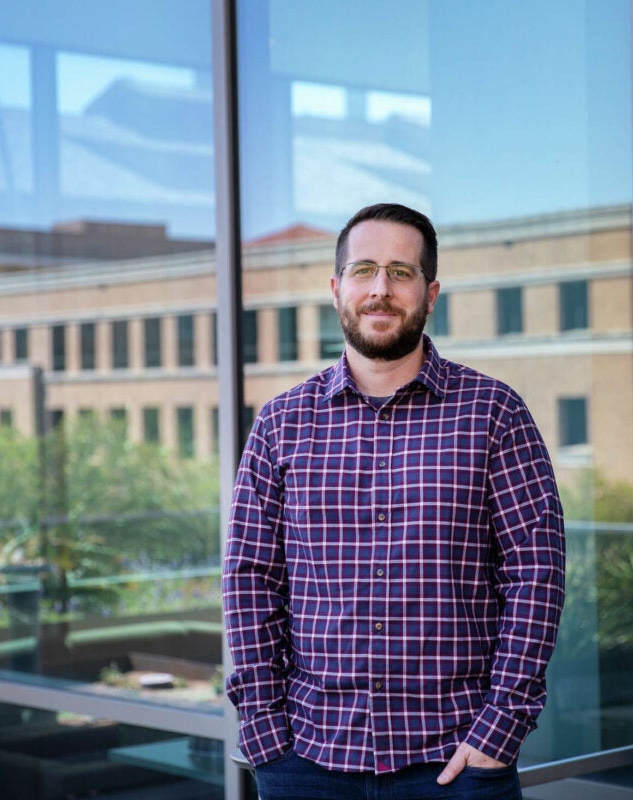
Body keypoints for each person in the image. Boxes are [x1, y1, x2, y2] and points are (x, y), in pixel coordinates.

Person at [223, 202, 566, 799]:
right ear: (336, 289)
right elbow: (250, 579)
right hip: (307, 760)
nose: (381, 290)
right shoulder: (281, 423)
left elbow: (536, 575)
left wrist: (500, 729)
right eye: (364, 270)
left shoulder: (494, 414)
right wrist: (263, 731)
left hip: (457, 763)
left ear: (431, 294)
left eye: (401, 273)